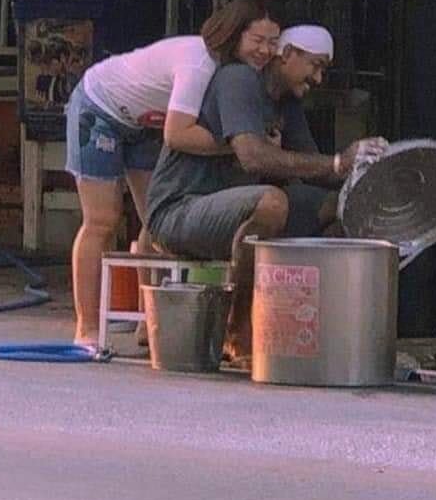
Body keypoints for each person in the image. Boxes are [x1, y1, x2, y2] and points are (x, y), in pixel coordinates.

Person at [146, 25, 388, 362]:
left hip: (232, 210)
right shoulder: (239, 79)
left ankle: (324, 330)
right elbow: (253, 155)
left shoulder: (286, 103)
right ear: (287, 55)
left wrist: (370, 172)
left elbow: (316, 171)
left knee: (340, 208)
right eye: (315, 65)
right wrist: (337, 162)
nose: (318, 78)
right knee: (273, 202)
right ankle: (238, 329)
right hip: (179, 210)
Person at [65, 0, 284, 346]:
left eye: (273, 43)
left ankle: (149, 321)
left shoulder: (234, 73)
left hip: (144, 122)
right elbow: (179, 135)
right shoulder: (200, 64)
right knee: (103, 220)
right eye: (257, 40)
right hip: (100, 108)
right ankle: (86, 327)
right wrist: (241, 144)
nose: (265, 50)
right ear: (233, 34)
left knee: (156, 220)